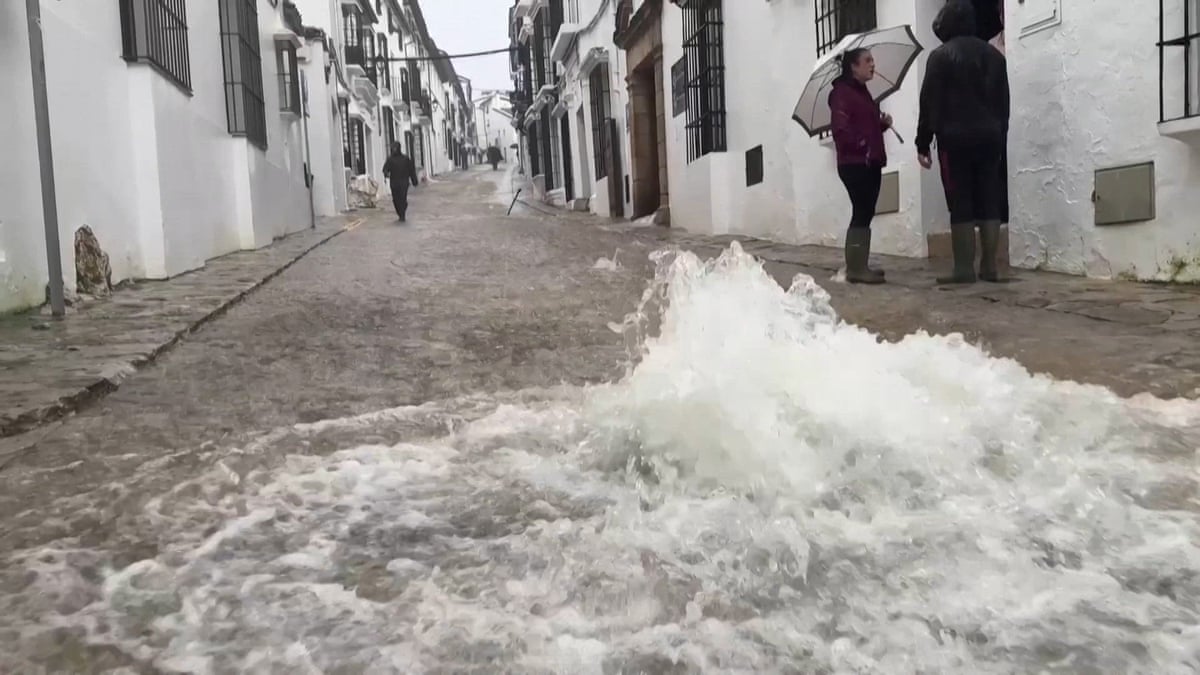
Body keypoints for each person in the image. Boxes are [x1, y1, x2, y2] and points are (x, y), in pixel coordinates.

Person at [916, 1, 1010, 283]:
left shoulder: (940, 57)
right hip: (991, 137)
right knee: (990, 197)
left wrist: (923, 142)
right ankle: (990, 266)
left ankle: (964, 268)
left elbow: (929, 102)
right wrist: (1000, 133)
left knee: (961, 200)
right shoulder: (996, 57)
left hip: (954, 139)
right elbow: (1004, 103)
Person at [829, 47, 894, 284]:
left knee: (866, 212)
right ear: (853, 66)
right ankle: (856, 269)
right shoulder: (841, 93)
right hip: (854, 163)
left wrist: (881, 125)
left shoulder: (863, 92)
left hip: (870, 161)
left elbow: (864, 123)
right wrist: (864, 144)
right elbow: (841, 129)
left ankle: (860, 265)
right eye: (867, 61)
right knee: (861, 210)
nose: (872, 64)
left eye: (872, 60)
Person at [382, 142, 419, 222]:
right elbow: (385, 169)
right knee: (395, 199)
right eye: (393, 148)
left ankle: (402, 215)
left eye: (396, 148)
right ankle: (400, 212)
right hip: (394, 183)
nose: (394, 149)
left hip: (404, 182)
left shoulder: (405, 159)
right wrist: (386, 174)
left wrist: (414, 181)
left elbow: (411, 170)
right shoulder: (390, 159)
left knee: (402, 198)